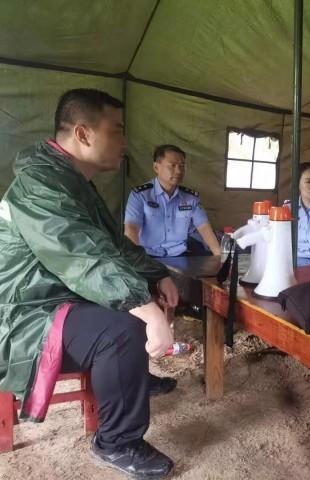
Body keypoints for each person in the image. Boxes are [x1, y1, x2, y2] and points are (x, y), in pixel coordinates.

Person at [0, 89, 177, 478]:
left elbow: (112, 245)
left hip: (57, 296)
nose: (125, 141)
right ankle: (117, 442)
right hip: (26, 313)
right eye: (117, 130)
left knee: (136, 298)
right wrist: (149, 312)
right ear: (82, 134)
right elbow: (82, 258)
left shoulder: (70, 179)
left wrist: (156, 275)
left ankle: (130, 378)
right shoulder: (41, 184)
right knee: (123, 328)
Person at [124, 144, 222, 257]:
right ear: (156, 167)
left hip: (179, 255)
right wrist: (136, 260)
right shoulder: (140, 195)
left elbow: (204, 227)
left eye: (182, 166)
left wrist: (219, 257)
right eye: (172, 166)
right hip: (148, 255)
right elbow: (131, 228)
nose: (179, 171)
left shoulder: (191, 198)